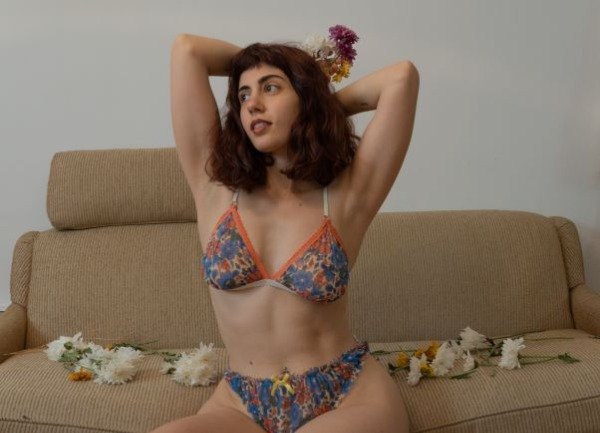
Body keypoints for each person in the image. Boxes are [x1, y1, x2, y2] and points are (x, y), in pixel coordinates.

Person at [153, 26, 419, 433]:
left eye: (271, 88)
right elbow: (187, 50)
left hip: (346, 393)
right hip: (243, 402)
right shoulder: (214, 189)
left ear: (305, 98)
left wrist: (319, 102)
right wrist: (269, 70)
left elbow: (401, 79)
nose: (253, 105)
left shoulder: (346, 197)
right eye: (243, 95)